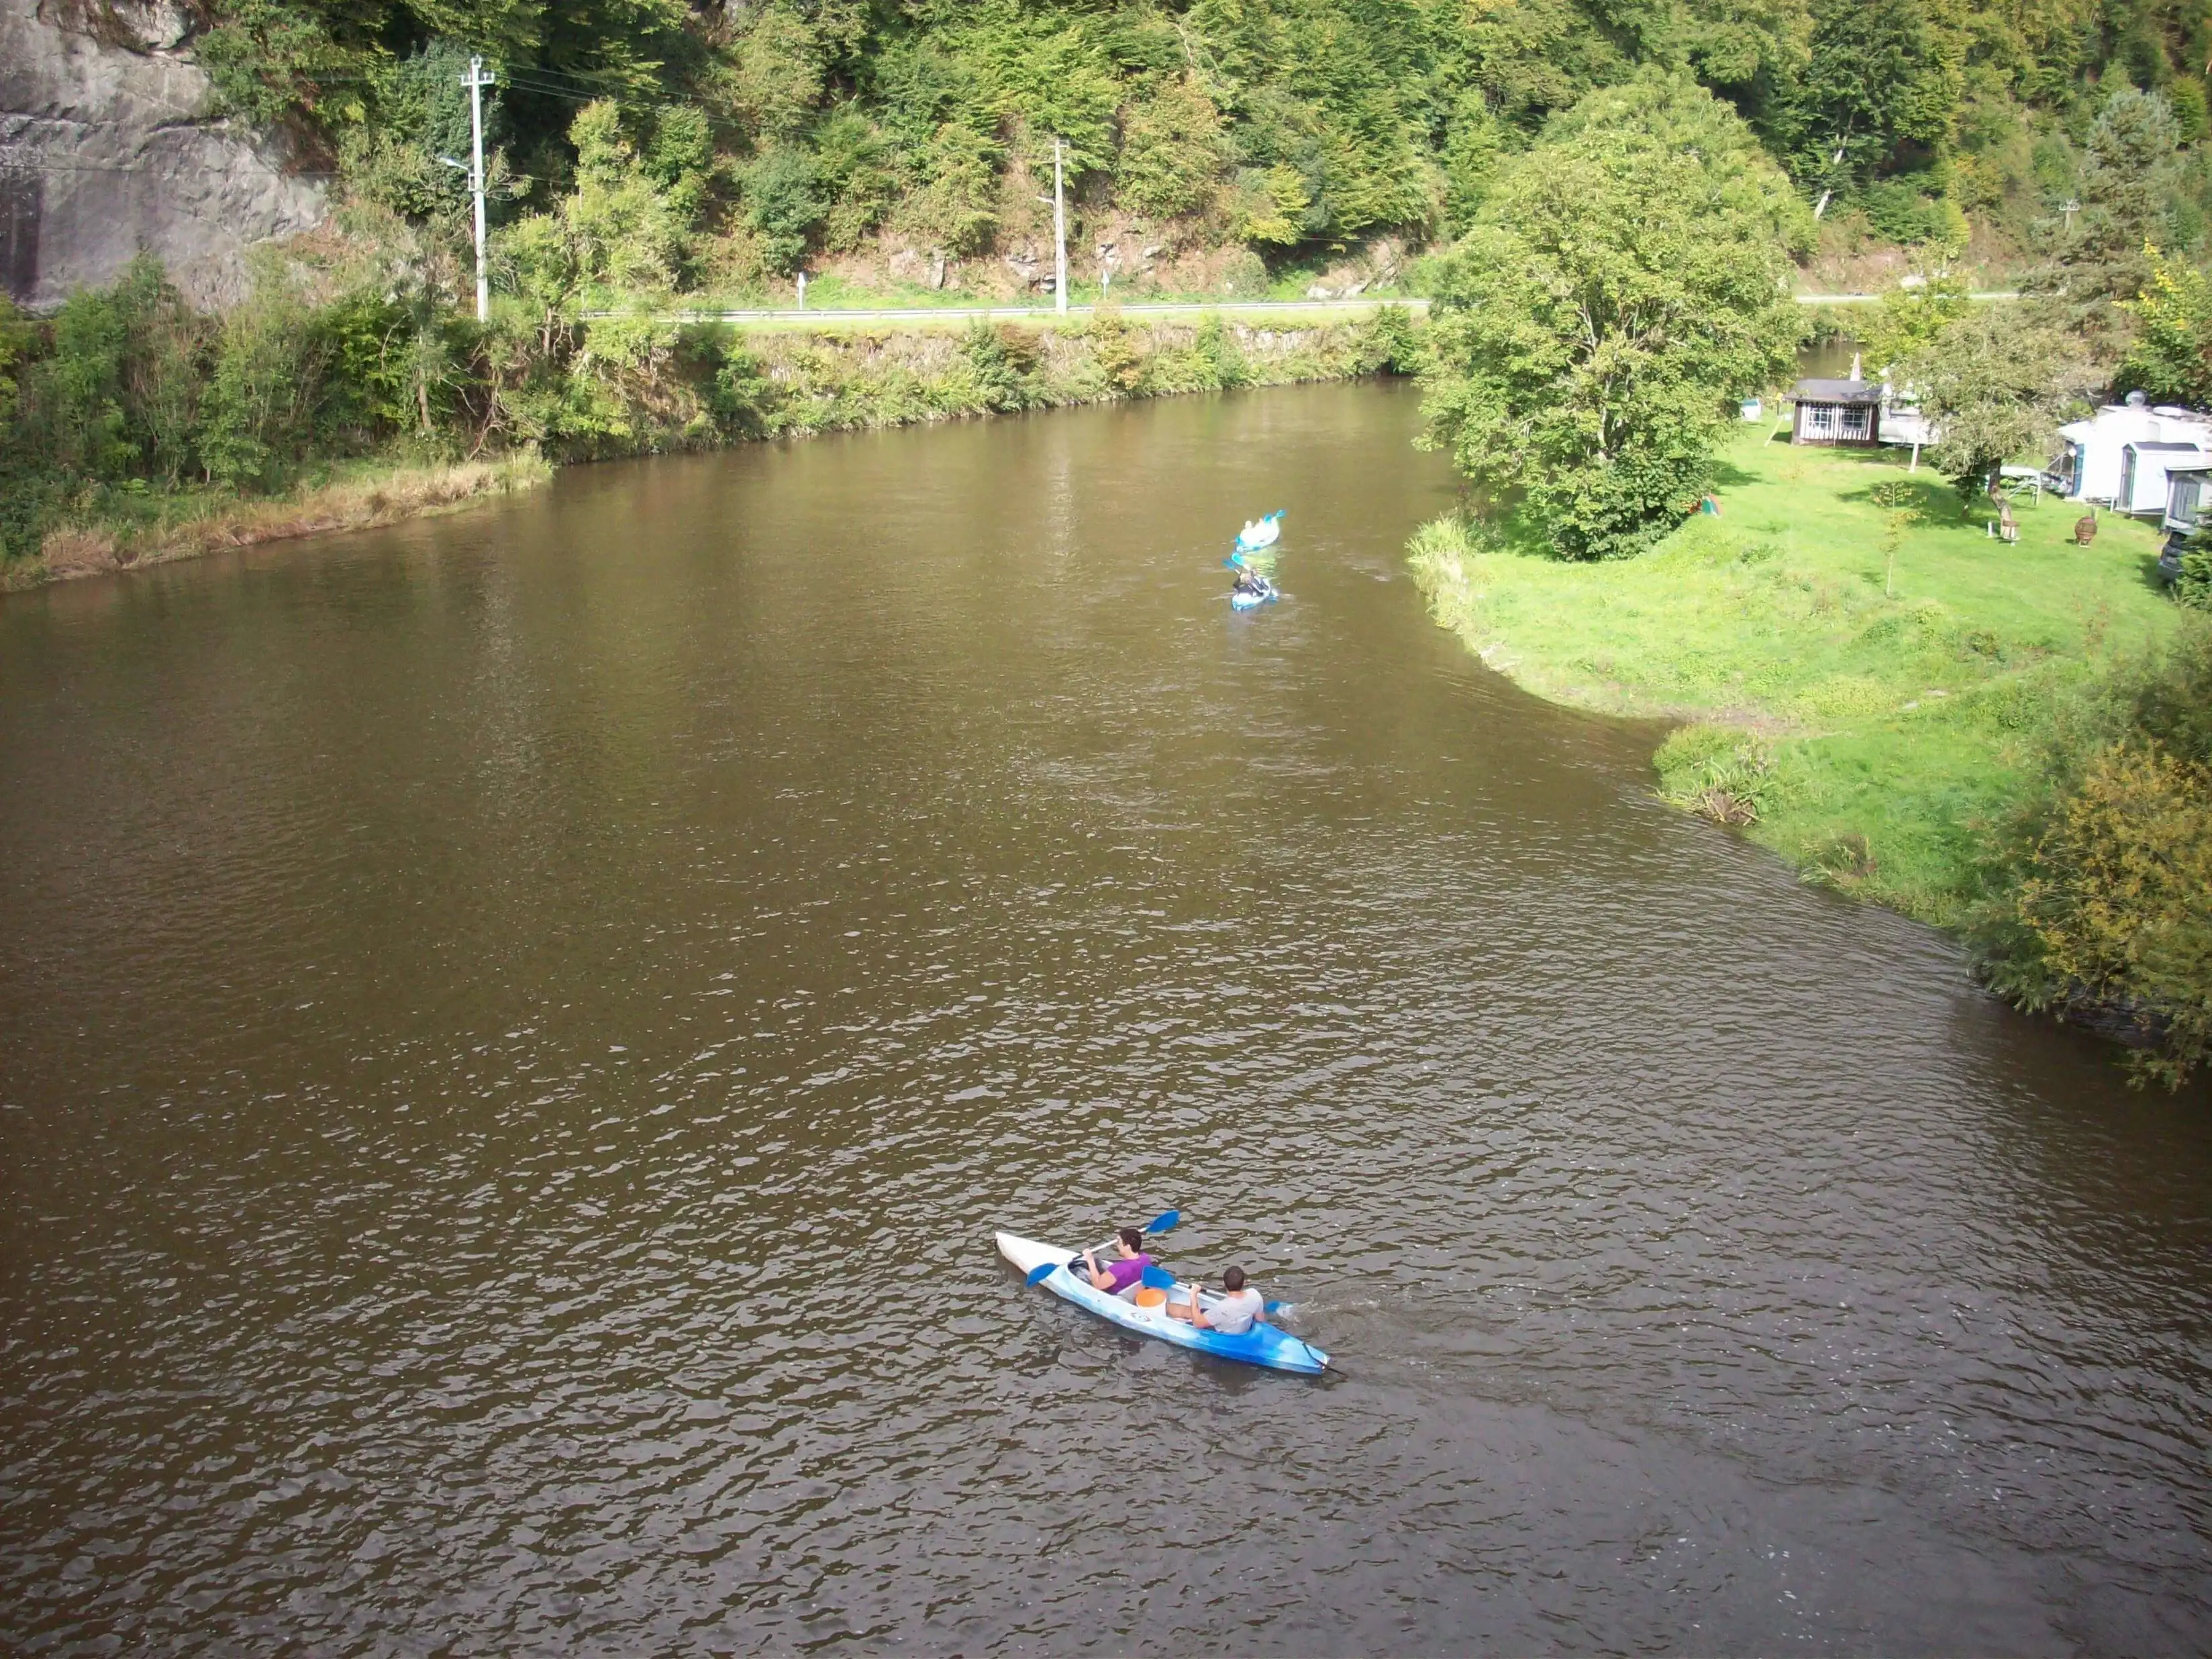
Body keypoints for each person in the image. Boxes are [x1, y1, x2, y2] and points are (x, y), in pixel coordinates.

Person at [1168, 1264, 1264, 1334]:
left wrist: (1193, 1294)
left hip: (1222, 1334)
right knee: (1195, 1312)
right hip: (1240, 1329)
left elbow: (1197, 1324)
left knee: (1189, 1312)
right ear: (1243, 1283)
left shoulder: (1222, 1308)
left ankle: (1165, 1308)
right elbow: (1260, 1319)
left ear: (1224, 1284)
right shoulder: (1254, 1294)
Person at [1081, 1227, 1153, 1297]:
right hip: (1131, 1290)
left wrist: (1090, 1260)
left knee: (1078, 1271)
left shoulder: (1118, 1268)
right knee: (1096, 1261)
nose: (1117, 1245)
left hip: (1115, 1294)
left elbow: (1098, 1285)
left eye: (1119, 1243)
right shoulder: (1146, 1258)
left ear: (1128, 1246)